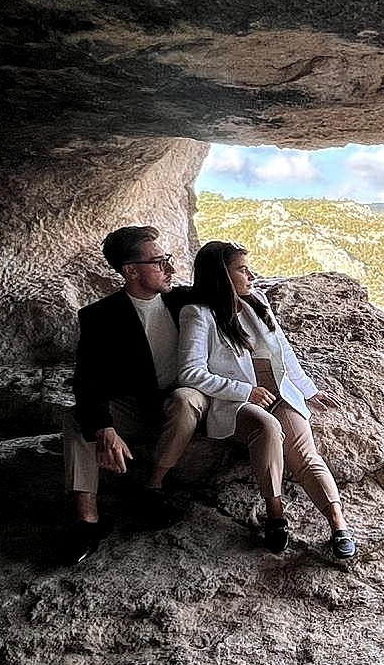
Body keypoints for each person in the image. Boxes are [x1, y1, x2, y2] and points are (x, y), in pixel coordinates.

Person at [177, 240, 356, 560]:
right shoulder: (198, 314)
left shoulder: (257, 300)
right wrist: (247, 392)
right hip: (235, 402)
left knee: (305, 454)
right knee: (268, 427)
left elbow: (283, 352)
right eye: (242, 270)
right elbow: (190, 373)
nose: (252, 275)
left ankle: (338, 524)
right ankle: (276, 516)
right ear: (221, 275)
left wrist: (309, 390)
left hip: (279, 392)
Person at [62, 225, 207, 564]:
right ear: (131, 271)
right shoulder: (100, 316)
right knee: (74, 417)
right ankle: (88, 521)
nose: (169, 269)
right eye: (159, 262)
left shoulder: (184, 300)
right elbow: (87, 380)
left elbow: (229, 295)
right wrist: (104, 428)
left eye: (167, 259)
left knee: (186, 399)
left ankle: (152, 489)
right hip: (136, 405)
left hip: (181, 400)